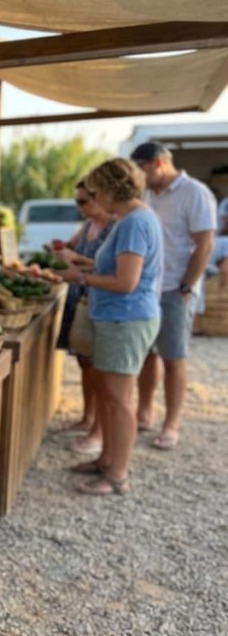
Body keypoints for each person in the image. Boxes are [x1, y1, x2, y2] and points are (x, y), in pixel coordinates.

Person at [54, 159, 163, 495]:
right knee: (110, 393)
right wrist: (82, 263)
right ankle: (107, 460)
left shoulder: (134, 222)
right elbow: (116, 266)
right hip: (117, 318)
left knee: (119, 400)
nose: (94, 197)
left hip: (125, 319)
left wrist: (81, 277)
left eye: (95, 190)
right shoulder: (131, 218)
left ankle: (117, 475)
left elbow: (126, 281)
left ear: (109, 188)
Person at [130, 142, 217, 450]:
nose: (138, 177)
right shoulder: (148, 194)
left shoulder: (194, 192)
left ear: (157, 163)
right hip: (147, 287)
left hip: (175, 289)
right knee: (147, 354)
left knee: (174, 357)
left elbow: (205, 242)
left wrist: (187, 286)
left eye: (140, 169)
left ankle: (172, 424)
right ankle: (144, 412)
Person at [53, 180, 114, 455]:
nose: (80, 207)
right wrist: (63, 253)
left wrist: (74, 263)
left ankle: (98, 433)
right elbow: (74, 251)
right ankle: (87, 418)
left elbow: (109, 269)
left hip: (98, 302)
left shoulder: (115, 227)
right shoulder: (89, 226)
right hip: (82, 300)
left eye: (83, 201)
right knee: (85, 366)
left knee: (101, 372)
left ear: (99, 197)